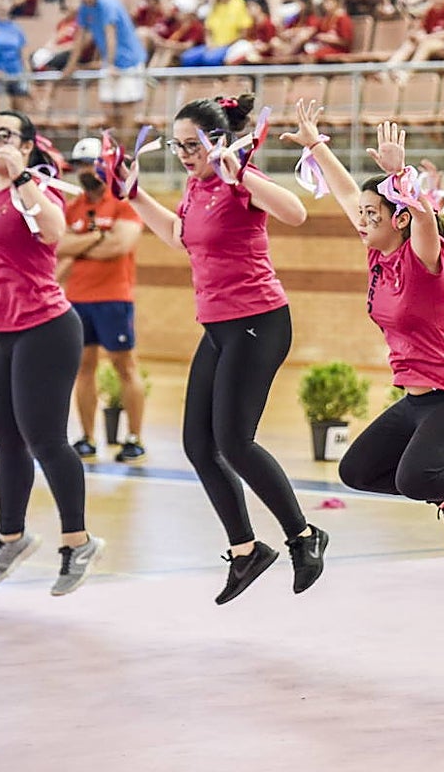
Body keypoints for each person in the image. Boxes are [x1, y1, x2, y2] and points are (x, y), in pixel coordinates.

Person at [282, 102, 444, 548]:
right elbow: (347, 192)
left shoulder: (424, 260)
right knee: (356, 471)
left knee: (414, 478)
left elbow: (426, 220)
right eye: (365, 214)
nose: (363, 220)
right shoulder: (377, 252)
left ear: (400, 219)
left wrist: (402, 177)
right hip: (415, 404)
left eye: (374, 214)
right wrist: (315, 143)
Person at [123, 94, 328, 605]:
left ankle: (304, 535)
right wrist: (133, 195)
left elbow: (297, 212)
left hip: (258, 321)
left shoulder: (240, 183)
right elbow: (180, 235)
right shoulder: (197, 187)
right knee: (198, 444)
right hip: (217, 327)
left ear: (217, 141)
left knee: (235, 441)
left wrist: (241, 175)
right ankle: (245, 550)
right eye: (178, 145)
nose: (185, 154)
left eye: (193, 144)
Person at [0, 109, 105, 596]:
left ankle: (76, 541)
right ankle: (11, 537)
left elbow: (54, 232)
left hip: (45, 327)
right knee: (5, 441)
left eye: (5, 135)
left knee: (46, 440)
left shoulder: (37, 188)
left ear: (29, 145)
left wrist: (20, 176)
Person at [57, 137, 147, 464]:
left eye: (91, 163)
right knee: (83, 369)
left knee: (125, 366)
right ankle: (87, 437)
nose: (85, 170)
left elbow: (119, 247)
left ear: (105, 165)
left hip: (113, 299)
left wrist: (79, 245)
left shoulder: (123, 203)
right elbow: (57, 248)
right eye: (80, 164)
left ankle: (134, 438)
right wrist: (97, 236)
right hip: (76, 300)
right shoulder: (71, 208)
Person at [62, 0, 148, 135]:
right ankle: (114, 154)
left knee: (126, 109)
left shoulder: (106, 2)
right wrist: (70, 66)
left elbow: (111, 36)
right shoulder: (85, 7)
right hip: (110, 63)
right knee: (109, 109)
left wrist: (110, 64)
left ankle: (127, 155)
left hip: (128, 61)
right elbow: (79, 38)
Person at [0, 0, 31, 111]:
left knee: (20, 117)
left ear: (11, 3)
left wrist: (27, 75)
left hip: (15, 73)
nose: (1, 3)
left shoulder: (16, 28)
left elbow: (23, 54)